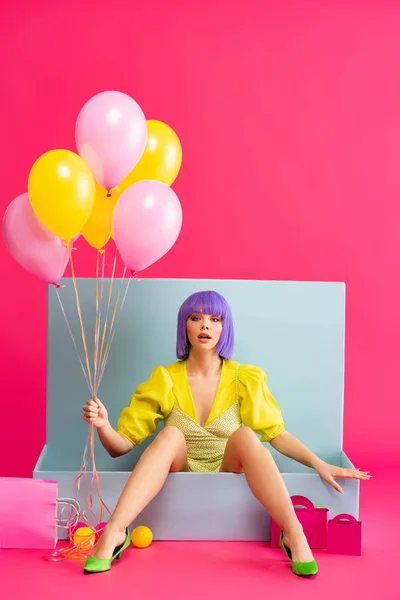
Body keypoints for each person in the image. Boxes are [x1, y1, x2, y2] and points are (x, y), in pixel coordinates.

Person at [82, 290, 370, 576]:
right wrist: (104, 426)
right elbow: (119, 446)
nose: (205, 325)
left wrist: (319, 463)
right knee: (170, 434)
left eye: (215, 319)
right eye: (196, 318)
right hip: (180, 468)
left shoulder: (244, 378)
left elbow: (276, 434)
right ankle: (115, 532)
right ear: (185, 325)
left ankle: (293, 533)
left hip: (225, 466)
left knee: (245, 435)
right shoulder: (165, 378)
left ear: (224, 327)